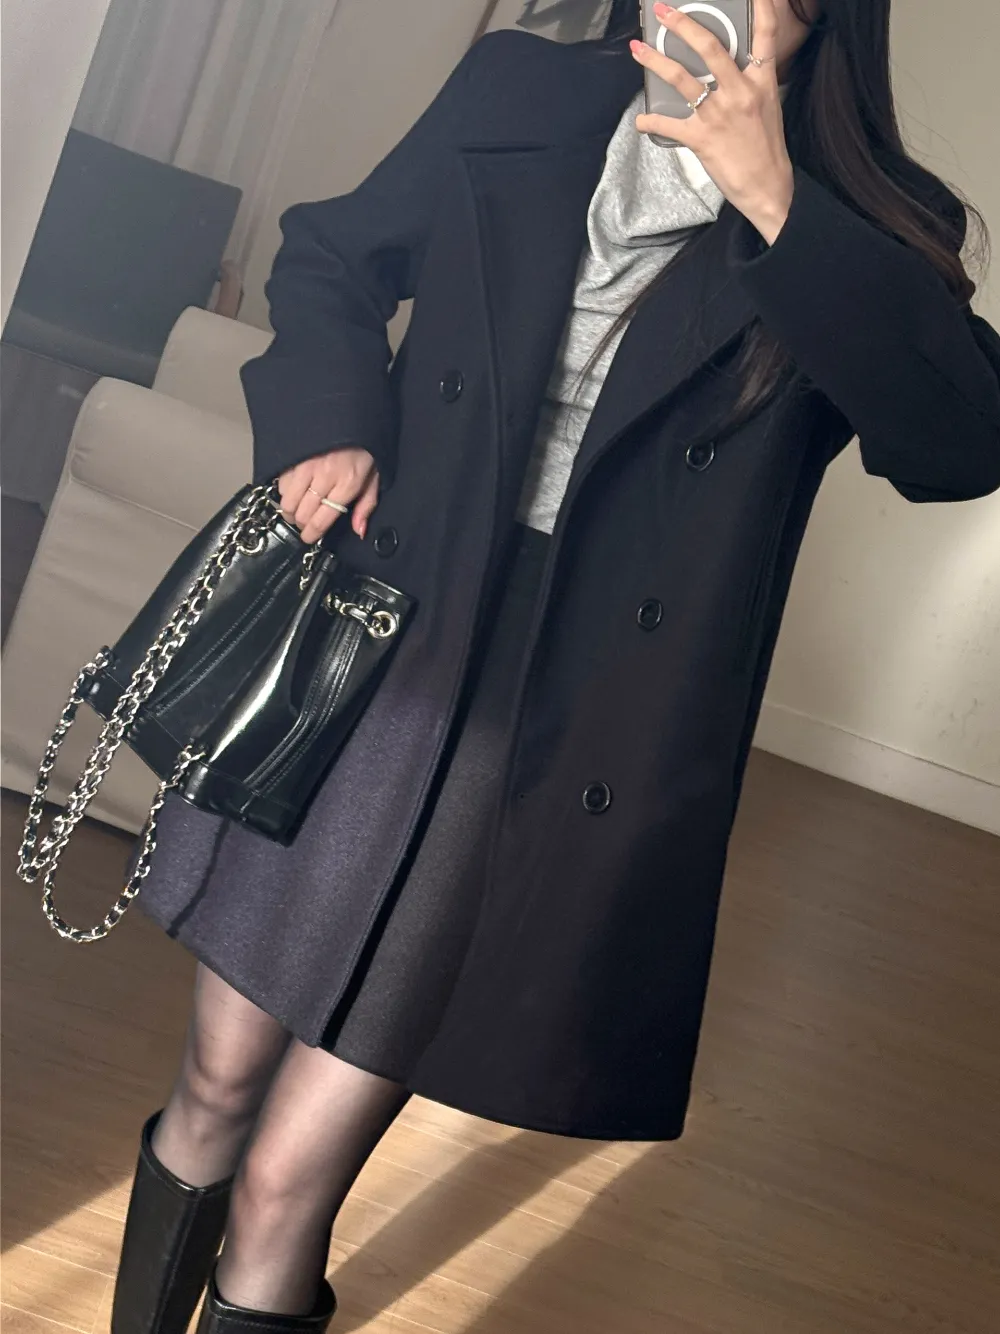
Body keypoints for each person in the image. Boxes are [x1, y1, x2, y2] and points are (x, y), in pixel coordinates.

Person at [108, 1, 1000, 1329]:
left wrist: (776, 199)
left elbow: (959, 444)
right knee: (216, 1086)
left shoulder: (869, 222)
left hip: (551, 726)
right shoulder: (519, 89)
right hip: (376, 646)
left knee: (288, 1181)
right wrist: (330, 419)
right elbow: (331, 254)